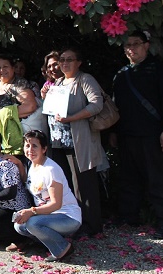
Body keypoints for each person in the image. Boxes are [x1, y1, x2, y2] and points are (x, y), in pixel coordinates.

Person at [112, 31, 163, 239]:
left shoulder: (159, 70)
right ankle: (129, 217)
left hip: (152, 135)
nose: (131, 48)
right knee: (128, 179)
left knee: (157, 180)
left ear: (147, 45)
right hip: (127, 135)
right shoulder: (121, 74)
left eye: (136, 44)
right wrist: (114, 132)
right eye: (128, 45)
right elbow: (116, 107)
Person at [47, 47, 105, 236]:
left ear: (78, 62)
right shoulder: (59, 82)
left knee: (84, 185)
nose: (64, 63)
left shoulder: (85, 79)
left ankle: (91, 226)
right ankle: (72, 223)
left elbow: (97, 104)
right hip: (58, 142)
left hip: (79, 141)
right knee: (67, 185)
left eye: (69, 60)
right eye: (62, 59)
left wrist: (73, 117)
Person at [13, 130, 81, 261]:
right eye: (27, 146)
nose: (30, 150)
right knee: (19, 225)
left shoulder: (50, 170)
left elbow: (56, 204)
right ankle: (50, 242)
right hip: (48, 215)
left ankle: (63, 248)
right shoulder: (32, 165)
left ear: (44, 149)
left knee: (32, 223)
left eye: (35, 146)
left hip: (67, 217)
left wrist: (32, 211)